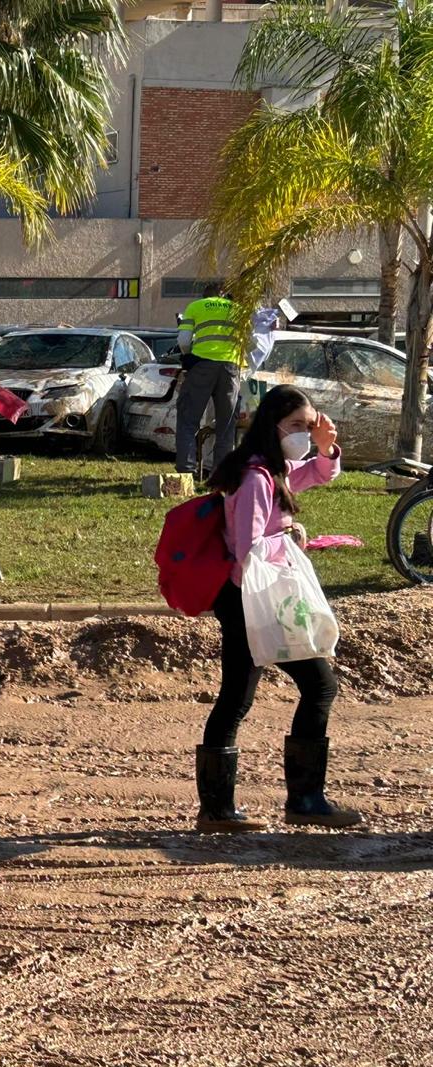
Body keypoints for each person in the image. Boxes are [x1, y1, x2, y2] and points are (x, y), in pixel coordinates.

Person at [195, 384, 361, 833]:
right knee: (311, 687)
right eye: (296, 427)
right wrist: (288, 539)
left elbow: (321, 475)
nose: (303, 435)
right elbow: (248, 548)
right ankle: (297, 802)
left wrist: (327, 448)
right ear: (273, 426)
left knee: (240, 697)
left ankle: (222, 810)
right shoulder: (256, 478)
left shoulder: (275, 470)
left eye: (307, 427)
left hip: (260, 596)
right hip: (250, 597)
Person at [176, 284, 243, 474]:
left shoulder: (196, 307)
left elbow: (183, 341)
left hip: (202, 366)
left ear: (205, 296)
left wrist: (188, 356)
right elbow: (253, 341)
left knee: (188, 420)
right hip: (231, 367)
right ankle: (220, 476)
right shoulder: (239, 310)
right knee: (226, 424)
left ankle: (186, 472)